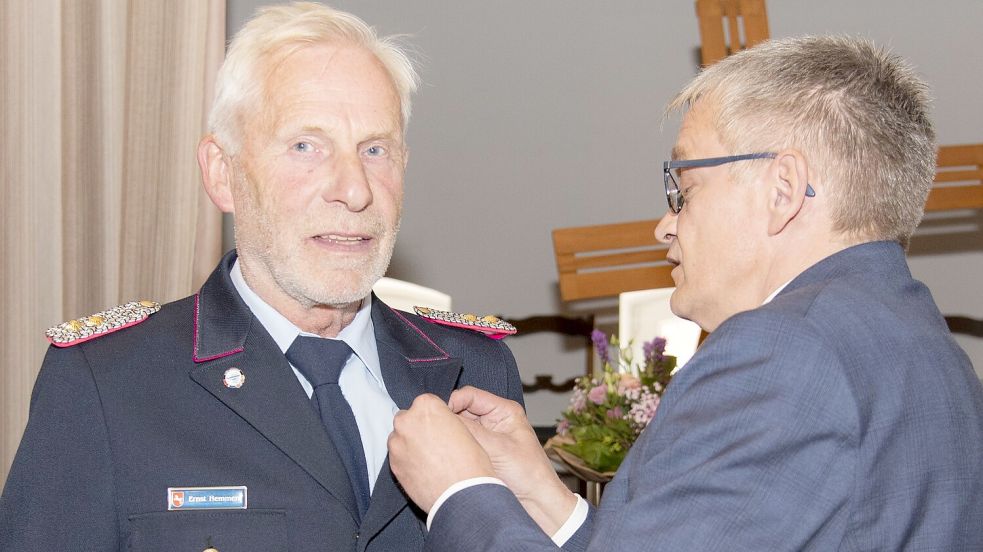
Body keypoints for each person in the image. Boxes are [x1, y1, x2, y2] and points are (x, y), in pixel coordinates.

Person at [388, 35, 983, 550]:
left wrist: (458, 492)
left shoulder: (781, 350)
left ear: (782, 190)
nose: (664, 225)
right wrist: (543, 495)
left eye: (685, 187)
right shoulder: (932, 351)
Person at [0, 3, 522, 551]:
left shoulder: (475, 372)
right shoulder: (108, 381)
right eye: (305, 146)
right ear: (223, 174)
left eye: (375, 150)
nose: (355, 189)